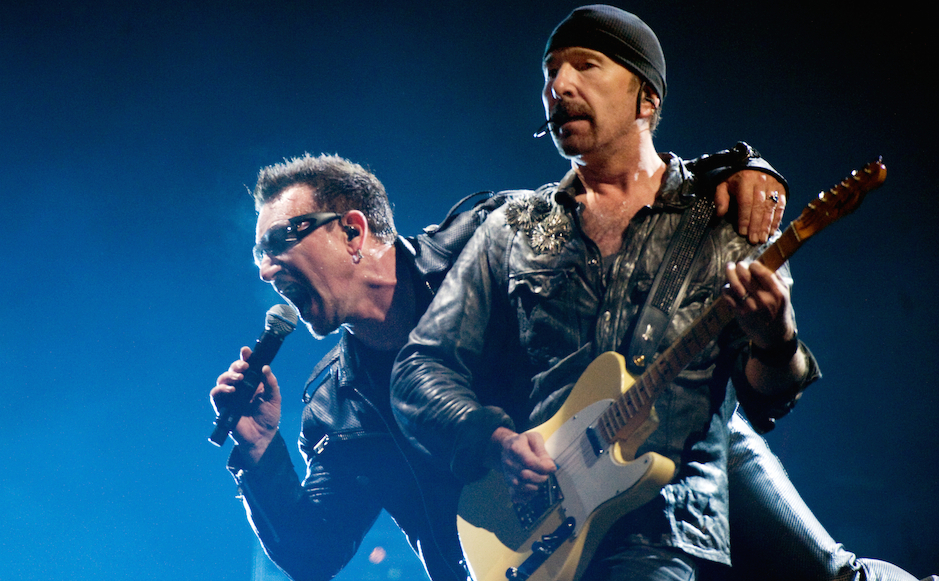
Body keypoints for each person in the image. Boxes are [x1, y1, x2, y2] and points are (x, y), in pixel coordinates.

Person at [391, 5, 928, 581]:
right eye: (549, 72)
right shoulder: (515, 226)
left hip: (673, 518)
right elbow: (420, 366)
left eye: (585, 65)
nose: (557, 86)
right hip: (543, 520)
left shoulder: (725, 217)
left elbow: (765, 400)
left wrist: (777, 338)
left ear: (647, 99)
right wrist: (492, 437)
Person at [210, 148, 795, 581]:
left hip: (643, 471)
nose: (265, 269)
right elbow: (314, 553)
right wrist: (261, 453)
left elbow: (612, 208)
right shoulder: (337, 408)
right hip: (527, 565)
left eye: (280, 242)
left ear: (352, 231)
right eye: (258, 255)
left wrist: (733, 170)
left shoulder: (486, 238)